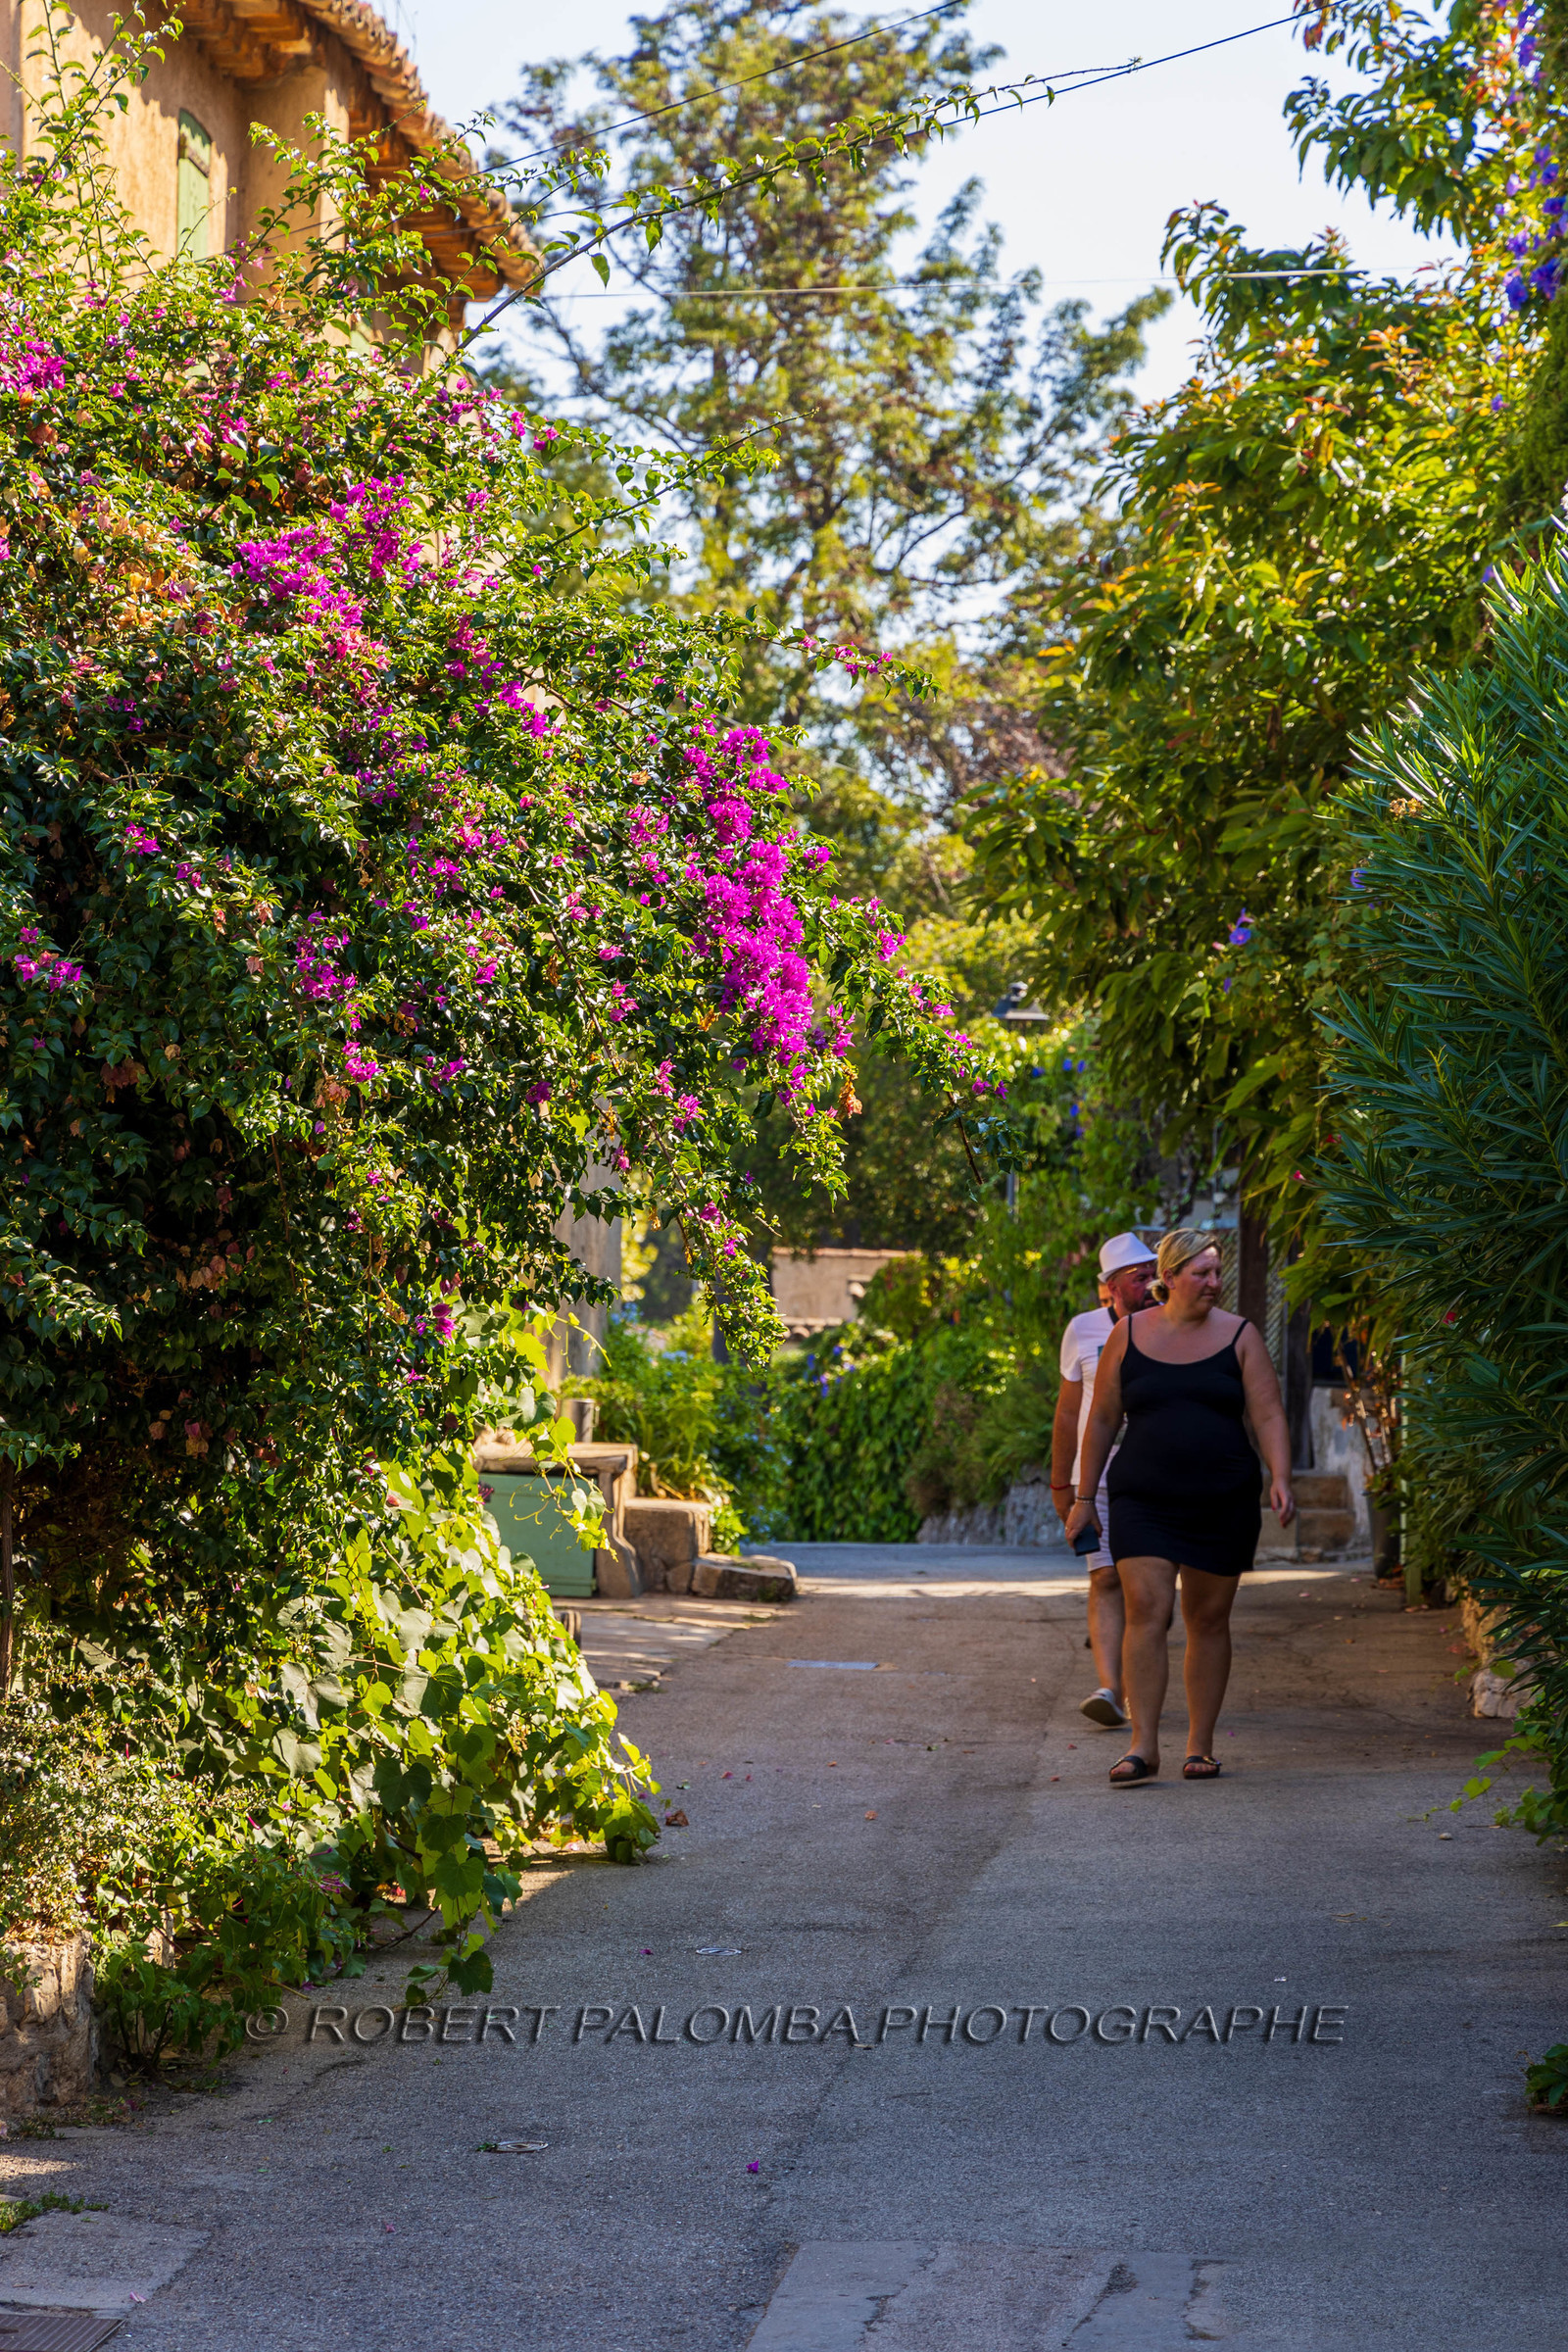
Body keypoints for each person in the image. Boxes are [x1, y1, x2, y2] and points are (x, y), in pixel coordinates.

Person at [1066, 1227, 1295, 1785]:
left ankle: (1200, 1745)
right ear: (1168, 1279)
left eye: (1218, 1272)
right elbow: (1100, 1419)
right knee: (1147, 1608)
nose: (1215, 1283)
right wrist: (1080, 1497)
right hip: (1143, 1495)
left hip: (1222, 1496)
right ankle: (1143, 1746)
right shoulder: (1128, 1334)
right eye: (1203, 1273)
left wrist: (1281, 1477)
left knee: (1208, 1619)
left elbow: (1266, 1413)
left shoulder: (1241, 1336)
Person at [1051, 1231, 1158, 1729]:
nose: (1152, 1283)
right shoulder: (1084, 1329)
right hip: (1094, 1474)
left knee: (1151, 1583)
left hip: (1158, 1468)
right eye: (1141, 1277)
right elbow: (1070, 1412)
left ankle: (1141, 1684)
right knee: (1105, 1573)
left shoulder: (1167, 1325)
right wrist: (1062, 1487)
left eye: (1155, 1274)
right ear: (1112, 1286)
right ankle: (1111, 1688)